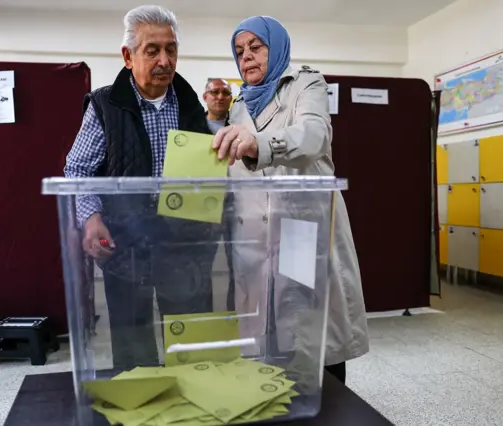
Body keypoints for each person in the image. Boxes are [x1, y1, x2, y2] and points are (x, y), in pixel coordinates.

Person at [212, 16, 369, 384]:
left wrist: (260, 144)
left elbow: (313, 135)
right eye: (239, 51)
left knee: (311, 334)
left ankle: (329, 409)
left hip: (302, 231)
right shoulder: (237, 107)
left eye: (256, 47)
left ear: (276, 47)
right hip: (254, 240)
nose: (246, 57)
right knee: (266, 337)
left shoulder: (305, 85)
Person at [64, 5, 220, 370]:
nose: (165, 60)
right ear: (128, 56)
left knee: (190, 338)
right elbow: (78, 168)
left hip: (182, 241)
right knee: (133, 344)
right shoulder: (105, 104)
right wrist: (90, 218)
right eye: (152, 50)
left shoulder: (190, 106)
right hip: (125, 242)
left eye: (171, 49)